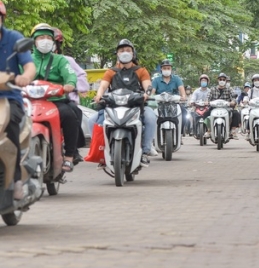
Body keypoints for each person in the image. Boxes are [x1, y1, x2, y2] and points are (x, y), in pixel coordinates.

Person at [91, 39, 155, 167]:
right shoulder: (111, 71)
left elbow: (148, 86)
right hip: (113, 106)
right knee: (92, 121)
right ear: (117, 54)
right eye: (121, 50)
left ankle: (145, 152)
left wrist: (146, 94)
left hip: (137, 105)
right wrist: (98, 95)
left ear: (133, 53)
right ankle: (102, 153)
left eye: (128, 50)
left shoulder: (141, 70)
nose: (124, 53)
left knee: (151, 118)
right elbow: (103, 86)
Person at [30, 23, 79, 173]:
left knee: (70, 116)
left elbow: (70, 74)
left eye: (48, 38)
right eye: (41, 37)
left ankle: (70, 156)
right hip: (30, 102)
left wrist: (70, 84)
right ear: (34, 41)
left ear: (53, 41)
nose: (45, 40)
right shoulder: (25, 59)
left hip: (55, 101)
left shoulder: (60, 60)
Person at [0, 0, 37, 199]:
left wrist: (25, 77)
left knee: (9, 125)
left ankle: (15, 180)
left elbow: (29, 65)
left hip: (8, 99)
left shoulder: (14, 38)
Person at [53, 27, 89, 164]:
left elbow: (79, 76)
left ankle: (72, 150)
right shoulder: (32, 60)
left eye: (50, 41)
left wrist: (74, 87)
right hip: (39, 99)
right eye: (41, 39)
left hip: (64, 99)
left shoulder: (65, 60)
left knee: (74, 113)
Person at [151, 59, 187, 134]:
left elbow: (182, 90)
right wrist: (150, 97)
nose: (166, 70)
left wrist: (183, 96)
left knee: (184, 112)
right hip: (159, 105)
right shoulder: (156, 80)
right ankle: (154, 134)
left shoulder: (177, 79)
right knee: (151, 114)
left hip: (174, 104)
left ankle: (179, 133)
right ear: (161, 69)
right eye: (164, 68)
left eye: (168, 68)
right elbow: (152, 92)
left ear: (171, 69)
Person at [204, 72, 241, 139]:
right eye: (220, 79)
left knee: (236, 113)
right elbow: (208, 97)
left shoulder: (229, 89)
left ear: (226, 81)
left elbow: (234, 97)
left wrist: (233, 101)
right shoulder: (212, 89)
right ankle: (209, 130)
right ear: (218, 80)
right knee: (206, 113)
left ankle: (233, 131)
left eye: (224, 79)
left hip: (226, 108)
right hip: (214, 108)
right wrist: (207, 101)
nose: (222, 81)